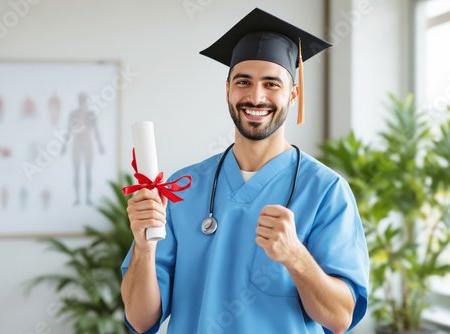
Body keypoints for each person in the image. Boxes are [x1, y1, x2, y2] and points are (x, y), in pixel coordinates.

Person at [121, 8, 368, 334]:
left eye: (272, 84)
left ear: (292, 94)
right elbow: (141, 320)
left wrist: (296, 257)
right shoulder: (183, 188)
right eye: (243, 82)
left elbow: (340, 319)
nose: (255, 96)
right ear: (227, 90)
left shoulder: (325, 191)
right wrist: (144, 247)